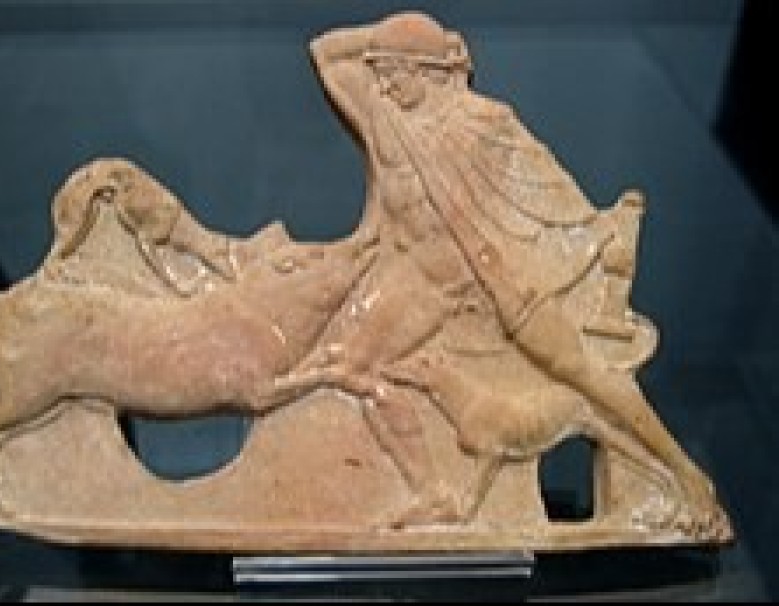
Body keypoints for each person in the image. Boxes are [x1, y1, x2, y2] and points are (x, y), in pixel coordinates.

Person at [304, 12, 721, 527]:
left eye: (393, 72)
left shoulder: (485, 124)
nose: (383, 83)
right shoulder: (383, 117)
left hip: (498, 285)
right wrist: (396, 39)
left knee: (587, 375)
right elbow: (325, 51)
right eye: (380, 72)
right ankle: (434, 493)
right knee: (351, 366)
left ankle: (685, 476)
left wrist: (594, 235)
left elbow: (547, 191)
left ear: (426, 72)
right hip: (418, 287)